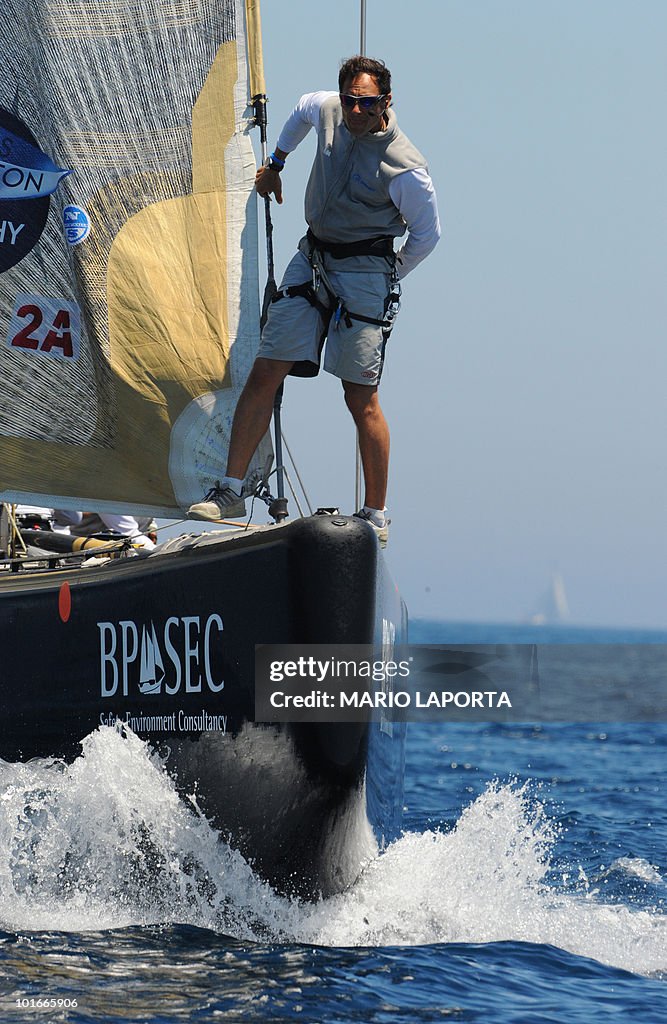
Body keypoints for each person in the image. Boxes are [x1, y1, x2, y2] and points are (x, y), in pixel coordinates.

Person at [188, 56, 440, 542]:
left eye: (367, 102)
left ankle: (376, 513)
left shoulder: (406, 167)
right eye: (350, 100)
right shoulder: (327, 109)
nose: (356, 110)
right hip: (314, 257)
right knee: (267, 368)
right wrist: (276, 164)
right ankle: (230, 489)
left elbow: (427, 237)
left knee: (359, 396)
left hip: (368, 271)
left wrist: (387, 276)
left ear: (386, 102)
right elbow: (302, 109)